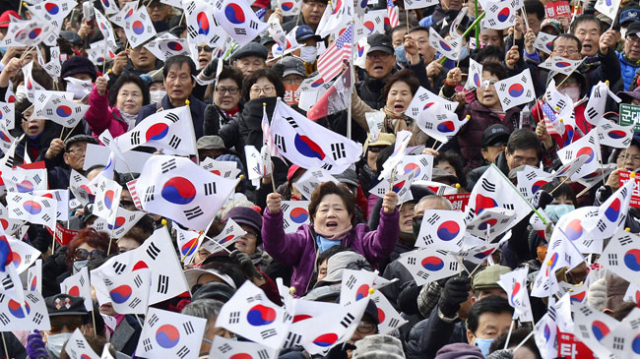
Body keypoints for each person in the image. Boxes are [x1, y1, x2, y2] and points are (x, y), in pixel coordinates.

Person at [263, 181, 400, 294]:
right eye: (324, 209)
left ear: (350, 216)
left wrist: (389, 214)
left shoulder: (361, 238)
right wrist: (273, 215)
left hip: (356, 308)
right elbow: (277, 246)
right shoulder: (303, 240)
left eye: (338, 209)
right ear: (313, 216)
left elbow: (383, 244)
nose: (331, 214)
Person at [136, 55, 208, 138]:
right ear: (164, 81)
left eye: (183, 77)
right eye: (172, 77)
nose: (177, 83)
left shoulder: (205, 112)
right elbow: (138, 149)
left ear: (193, 82)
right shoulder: (148, 113)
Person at [85, 73, 150, 138]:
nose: (129, 99)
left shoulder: (150, 120)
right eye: (124, 94)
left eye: (135, 94)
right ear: (116, 98)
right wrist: (99, 94)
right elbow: (95, 117)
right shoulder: (108, 118)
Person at [203, 66, 244, 136]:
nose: (227, 94)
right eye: (222, 90)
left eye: (232, 90)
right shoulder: (202, 115)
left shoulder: (247, 117)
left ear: (240, 93)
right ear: (213, 92)